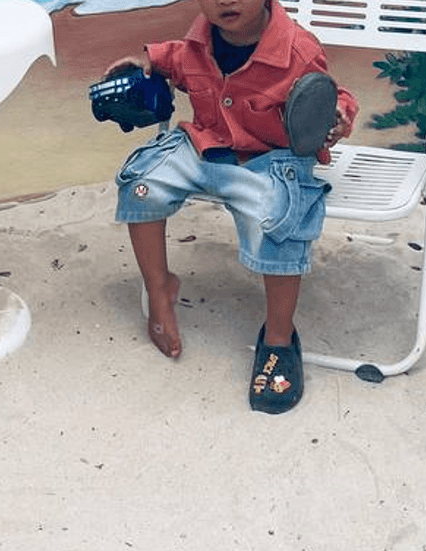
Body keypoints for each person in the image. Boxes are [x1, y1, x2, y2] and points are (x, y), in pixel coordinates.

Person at [105, 0, 358, 413]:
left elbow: (331, 94)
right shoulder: (196, 44)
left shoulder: (297, 50)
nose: (226, 1)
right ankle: (159, 288)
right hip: (206, 147)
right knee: (140, 184)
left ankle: (278, 337)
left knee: (280, 224)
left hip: (269, 159)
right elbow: (168, 60)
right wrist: (141, 65)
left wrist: (336, 115)